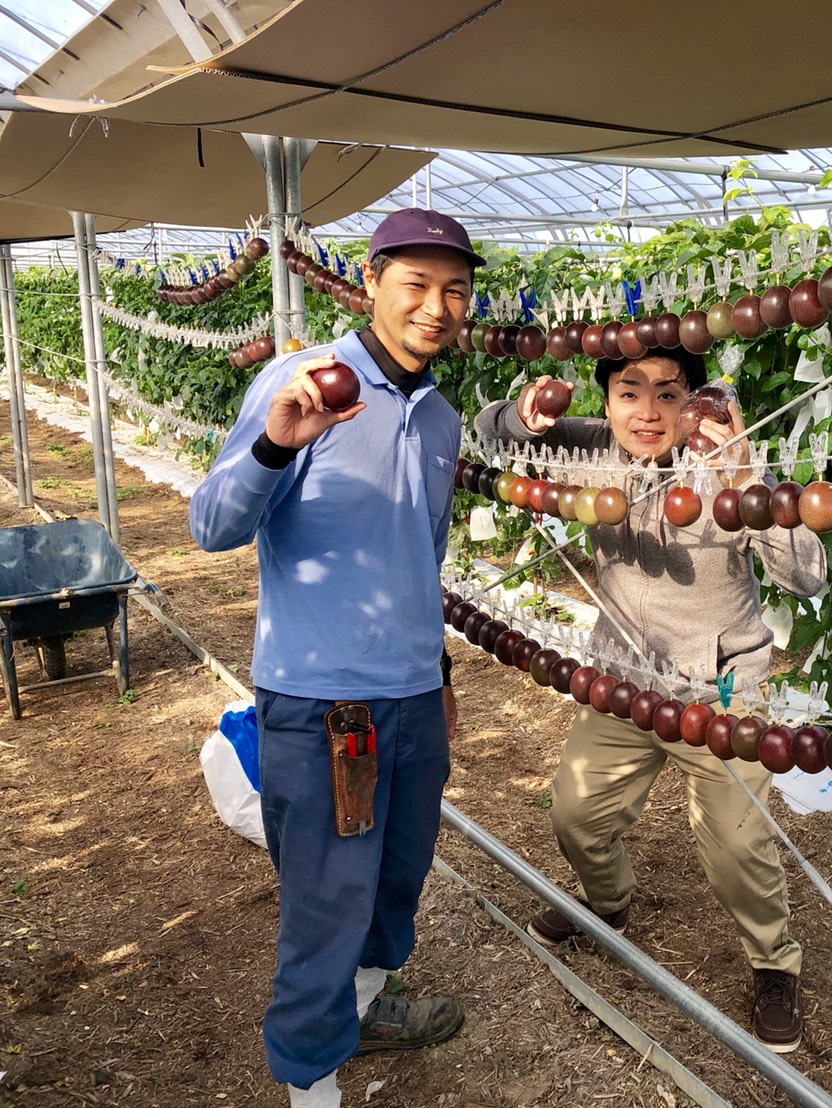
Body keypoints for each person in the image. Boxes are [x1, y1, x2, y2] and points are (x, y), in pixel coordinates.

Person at [190, 208, 481, 1107]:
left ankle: (358, 1012)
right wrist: (276, 444)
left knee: (396, 882)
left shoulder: (441, 418)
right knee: (326, 906)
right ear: (370, 279)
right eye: (417, 284)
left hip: (410, 696)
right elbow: (212, 524)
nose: (436, 307)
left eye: (455, 291)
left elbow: (423, 558)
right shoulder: (304, 385)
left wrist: (437, 674)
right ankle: (311, 1084)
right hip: (324, 703)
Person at [474, 347, 826, 1053]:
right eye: (629, 391)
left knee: (739, 846)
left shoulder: (729, 466)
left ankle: (773, 964)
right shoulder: (592, 451)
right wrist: (524, 415)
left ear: (693, 401)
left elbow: (808, 577)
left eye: (668, 393)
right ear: (605, 402)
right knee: (574, 814)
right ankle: (607, 903)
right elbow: (489, 433)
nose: (647, 411)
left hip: (719, 692)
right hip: (624, 684)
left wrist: (747, 479)